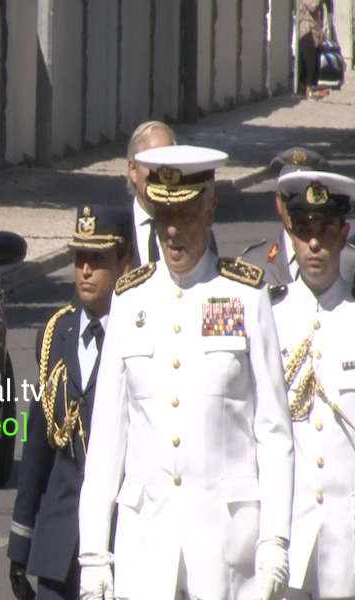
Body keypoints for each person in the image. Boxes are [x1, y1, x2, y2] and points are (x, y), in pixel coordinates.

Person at [76, 145, 294, 600]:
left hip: (225, 552)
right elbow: (106, 442)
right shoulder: (130, 300)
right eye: (162, 216)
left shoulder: (244, 294)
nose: (172, 231)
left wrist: (274, 539)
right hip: (145, 547)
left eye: (187, 215)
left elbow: (273, 432)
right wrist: (94, 553)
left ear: (211, 211)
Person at [8, 204, 132, 600]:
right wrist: (20, 545)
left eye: (98, 259)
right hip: (57, 547)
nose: (86, 270)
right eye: (81, 258)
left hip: (119, 544)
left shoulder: (139, 333)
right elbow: (37, 452)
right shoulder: (55, 332)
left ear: (123, 262)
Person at [270, 169, 355, 600]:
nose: (315, 244)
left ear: (344, 233)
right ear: (291, 234)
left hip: (349, 540)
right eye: (303, 232)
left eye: (325, 230)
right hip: (290, 537)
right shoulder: (268, 319)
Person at [239, 147, 355, 286]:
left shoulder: (350, 261)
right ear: (278, 202)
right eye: (289, 200)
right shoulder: (252, 262)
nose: (295, 211)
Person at [126, 121, 216, 267]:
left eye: (168, 165)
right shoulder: (117, 233)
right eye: (153, 164)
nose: (161, 175)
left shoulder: (203, 234)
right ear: (132, 170)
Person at [297, 0, 333, 98]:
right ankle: (307, 87)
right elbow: (312, 6)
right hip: (306, 28)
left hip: (314, 29)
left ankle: (309, 86)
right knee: (309, 60)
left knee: (314, 58)